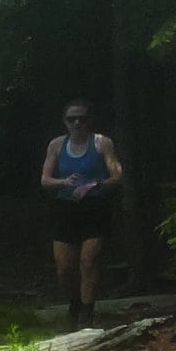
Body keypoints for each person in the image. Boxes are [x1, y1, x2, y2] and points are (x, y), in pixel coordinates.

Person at [40, 100, 123, 329]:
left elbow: (117, 174)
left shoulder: (101, 142)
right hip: (65, 209)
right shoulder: (57, 145)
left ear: (90, 120)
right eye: (72, 119)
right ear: (65, 122)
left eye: (82, 118)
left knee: (89, 261)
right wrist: (64, 182)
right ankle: (74, 303)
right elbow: (45, 180)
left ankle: (87, 312)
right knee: (64, 267)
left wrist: (95, 186)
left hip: (94, 208)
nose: (77, 123)